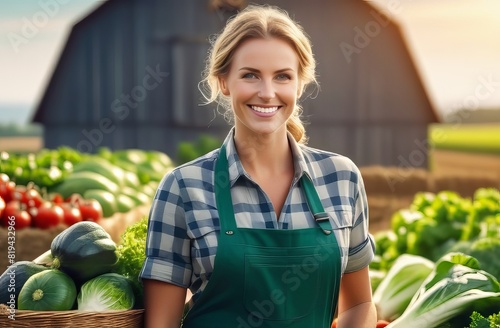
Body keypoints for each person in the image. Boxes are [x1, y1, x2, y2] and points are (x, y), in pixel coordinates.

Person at [140, 4, 377, 328]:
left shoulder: (341, 178)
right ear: (224, 82)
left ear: (299, 84)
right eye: (250, 75)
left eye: (282, 76)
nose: (267, 93)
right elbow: (161, 324)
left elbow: (360, 304)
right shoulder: (183, 188)